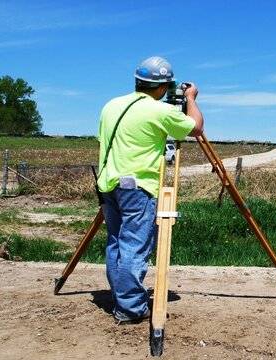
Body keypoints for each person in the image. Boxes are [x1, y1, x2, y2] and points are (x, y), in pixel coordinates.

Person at [96, 56, 203, 323]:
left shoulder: (111, 105)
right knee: (134, 245)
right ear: (163, 87)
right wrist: (190, 98)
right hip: (138, 187)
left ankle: (121, 295)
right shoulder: (159, 111)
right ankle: (131, 308)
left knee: (116, 242)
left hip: (108, 183)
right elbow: (196, 127)